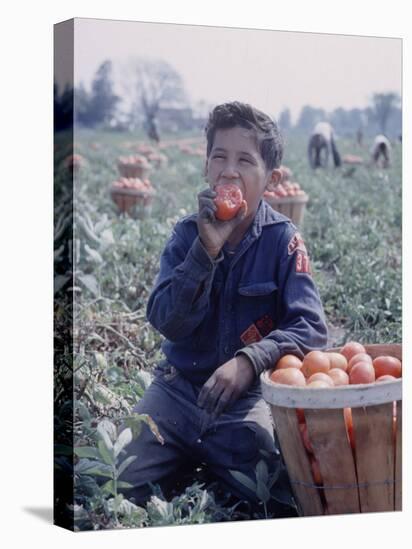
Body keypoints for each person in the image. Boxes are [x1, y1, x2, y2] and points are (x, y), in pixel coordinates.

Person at [120, 101, 328, 516]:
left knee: (276, 493)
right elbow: (166, 320)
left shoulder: (283, 242)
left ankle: (206, 467)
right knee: (117, 477)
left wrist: (251, 361)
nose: (229, 171)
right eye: (220, 157)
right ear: (206, 168)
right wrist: (205, 250)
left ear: (271, 179)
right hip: (175, 392)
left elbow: (310, 327)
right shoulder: (185, 235)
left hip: (242, 404)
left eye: (245, 160)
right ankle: (182, 464)